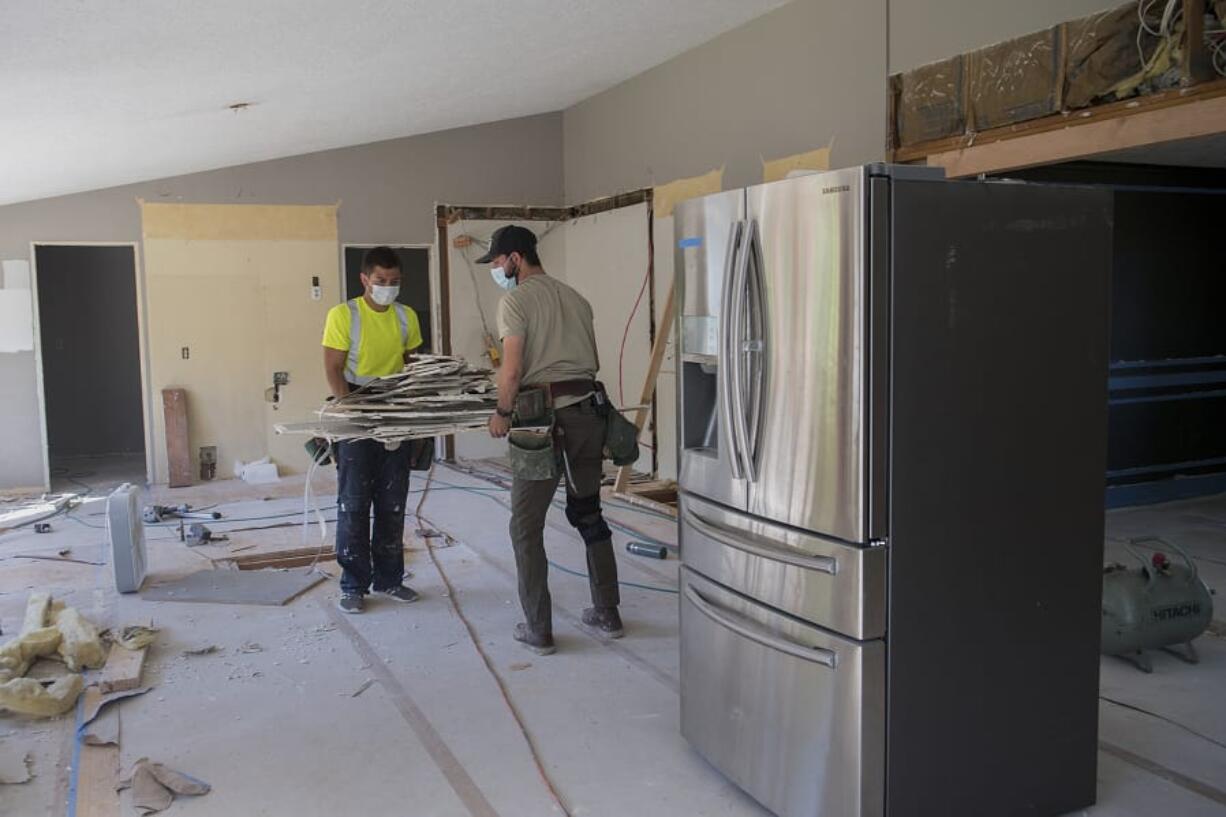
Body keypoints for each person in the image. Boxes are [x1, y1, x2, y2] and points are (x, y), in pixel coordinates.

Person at [481, 225, 623, 655]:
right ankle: (607, 611)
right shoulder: (576, 298)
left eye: (496, 262)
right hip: (587, 414)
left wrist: (502, 413)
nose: (496, 269)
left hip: (540, 421)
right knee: (588, 512)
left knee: (526, 524)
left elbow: (512, 368)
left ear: (515, 259)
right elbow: (590, 361)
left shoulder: (516, 301)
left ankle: (538, 628)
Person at [322, 246, 424, 613]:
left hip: (395, 413)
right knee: (354, 503)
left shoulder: (406, 316)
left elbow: (413, 367)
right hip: (355, 410)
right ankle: (353, 585)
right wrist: (351, 409)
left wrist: (413, 411)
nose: (388, 287)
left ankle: (390, 579)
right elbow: (333, 368)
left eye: (394, 282)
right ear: (365, 279)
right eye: (381, 281)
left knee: (392, 502)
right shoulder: (343, 314)